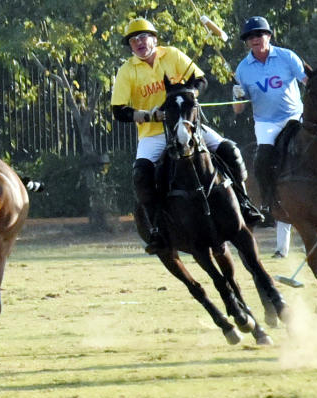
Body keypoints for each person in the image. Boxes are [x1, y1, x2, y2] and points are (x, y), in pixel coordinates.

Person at [110, 16, 262, 252]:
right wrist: (149, 115)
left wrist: (188, 95)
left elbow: (201, 80)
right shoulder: (127, 71)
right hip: (153, 134)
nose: (138, 42)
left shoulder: (172, 54)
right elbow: (118, 111)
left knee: (229, 150)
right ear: (130, 46)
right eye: (133, 40)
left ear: (154, 39)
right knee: (141, 174)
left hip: (187, 125)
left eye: (143, 37)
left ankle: (245, 204)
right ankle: (156, 229)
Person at [231, 15, 307, 258]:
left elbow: (308, 81)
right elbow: (239, 110)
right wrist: (237, 95)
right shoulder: (243, 69)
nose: (255, 39)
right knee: (262, 160)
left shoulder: (287, 57)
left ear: (269, 36)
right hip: (266, 123)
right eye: (250, 37)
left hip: (294, 117)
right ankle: (266, 202)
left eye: (259, 34)